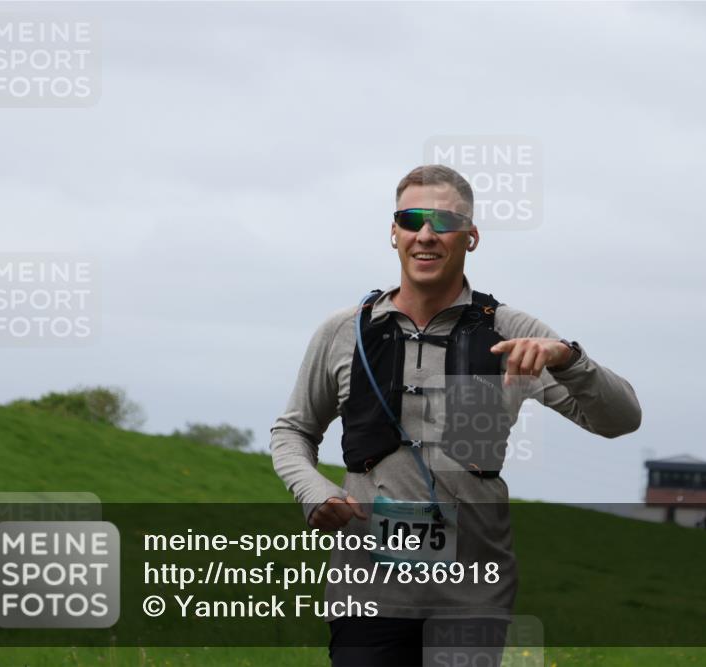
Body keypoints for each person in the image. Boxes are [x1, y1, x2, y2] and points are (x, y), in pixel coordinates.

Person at [270, 165, 642, 667]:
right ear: (394, 232)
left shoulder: (512, 330)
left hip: (473, 595)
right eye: (411, 219)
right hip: (367, 592)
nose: (426, 234)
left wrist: (570, 360)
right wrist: (314, 492)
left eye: (444, 221)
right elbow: (292, 431)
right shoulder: (344, 332)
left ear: (471, 237)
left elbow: (621, 419)